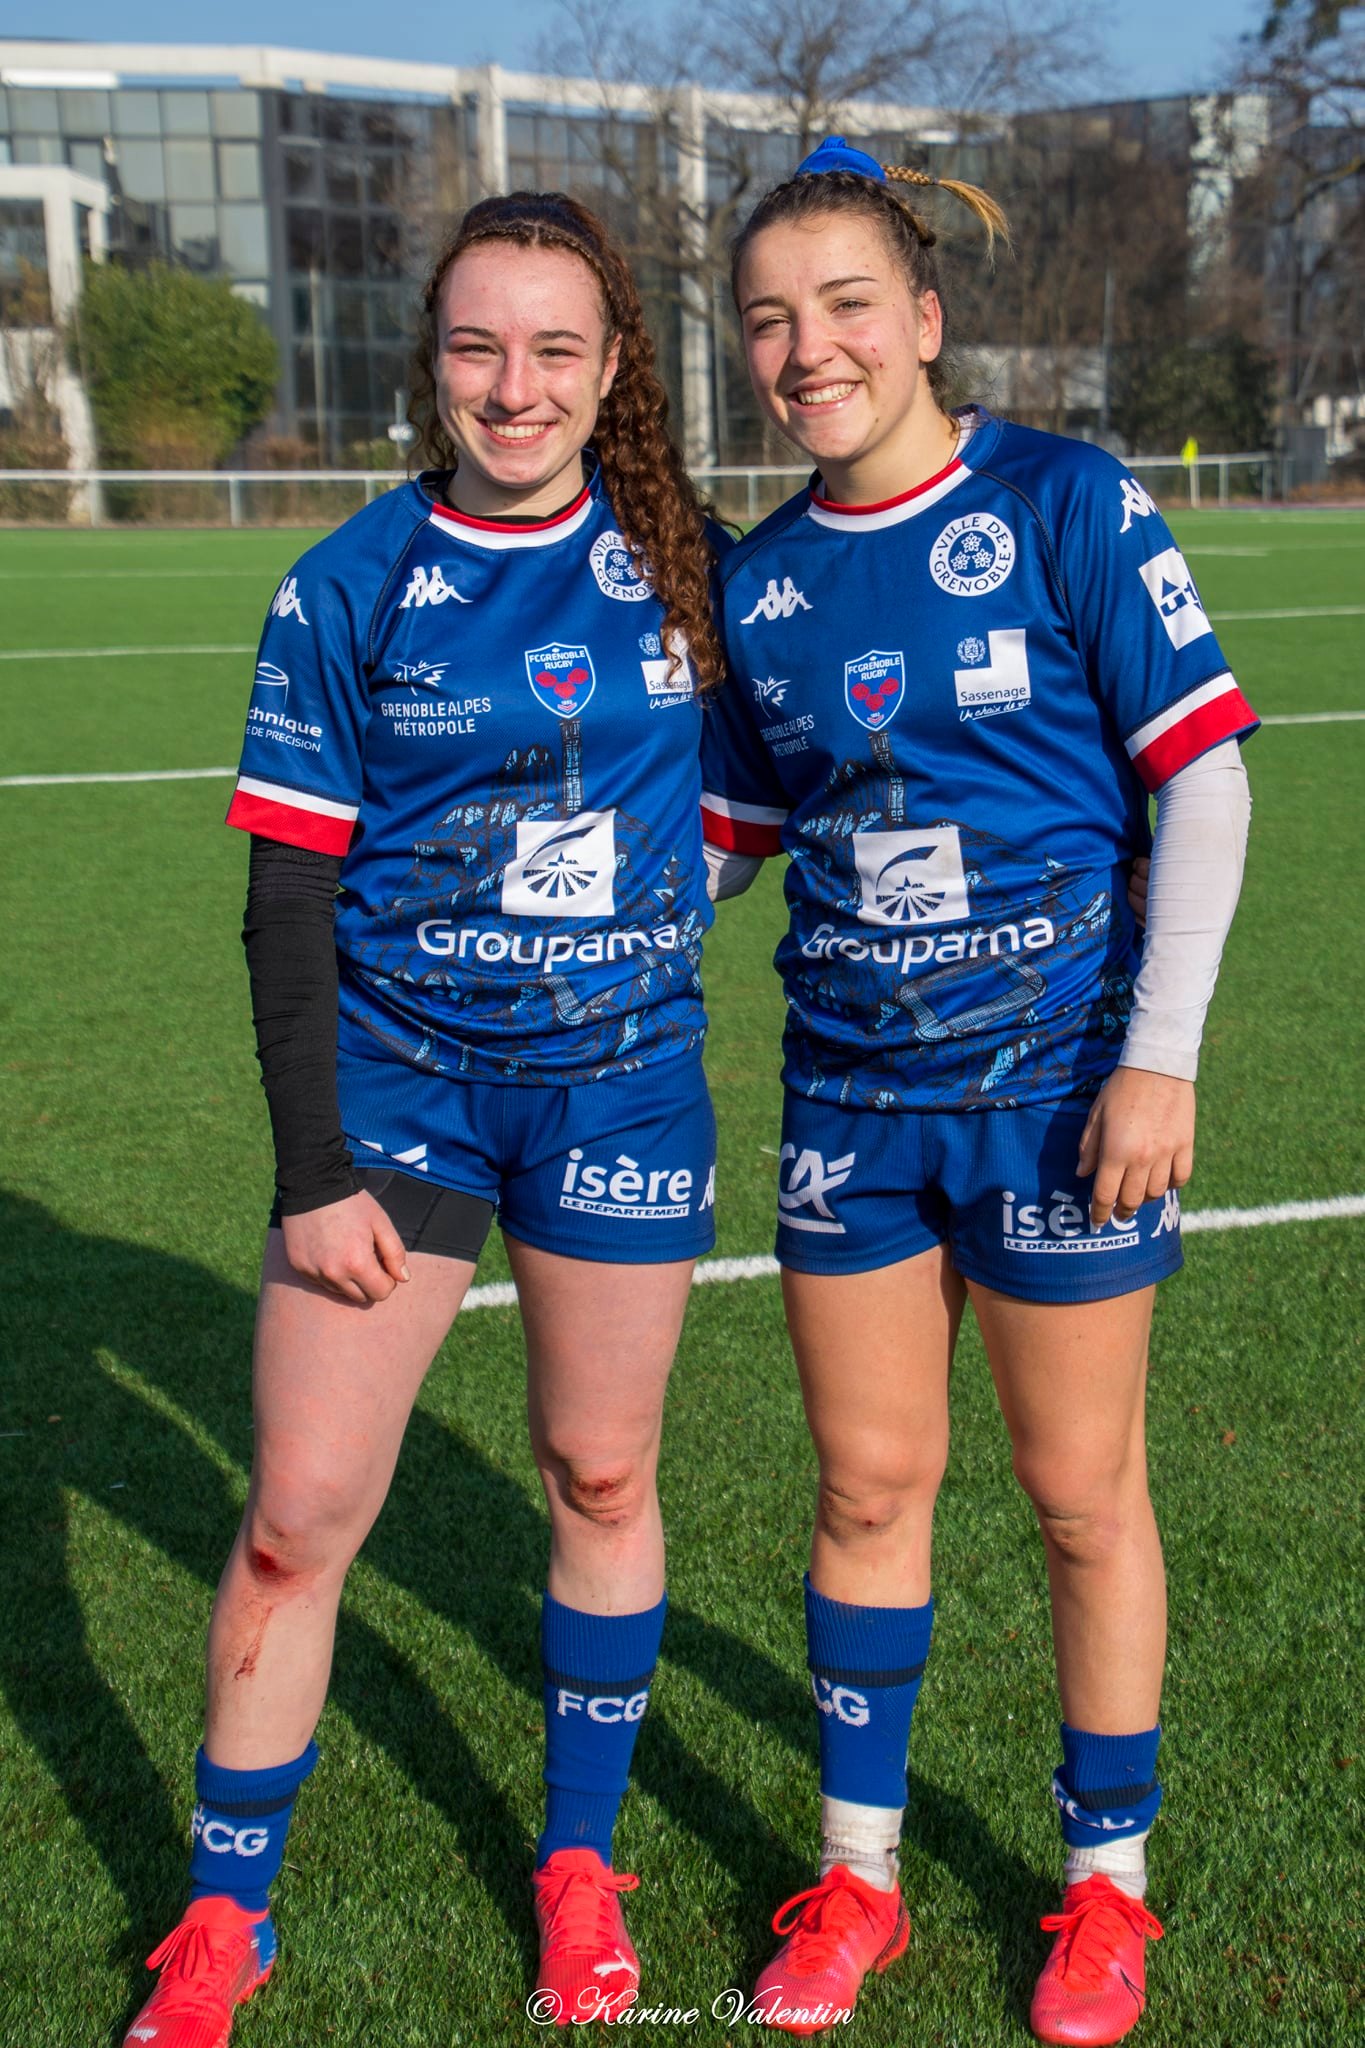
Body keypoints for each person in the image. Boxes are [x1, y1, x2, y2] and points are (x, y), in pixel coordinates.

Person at [123, 190, 730, 2047]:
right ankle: (225, 1918)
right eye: (478, 345)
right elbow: (287, 898)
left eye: (555, 348)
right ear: (432, 362)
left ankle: (575, 1862)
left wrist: (663, 898)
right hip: (395, 1093)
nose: (514, 383)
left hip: (619, 1083)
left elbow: (797, 778)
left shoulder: (689, 563)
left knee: (600, 1479)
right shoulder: (347, 581)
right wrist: (313, 1170)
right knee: (302, 1513)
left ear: (613, 365)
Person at [699, 137, 1256, 2046]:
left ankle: (1105, 1892)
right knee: (866, 1490)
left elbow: (1204, 779)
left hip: (1057, 1093)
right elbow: (723, 835)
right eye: (766, 319)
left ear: (922, 318)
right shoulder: (759, 585)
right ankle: (856, 1883)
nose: (805, 348)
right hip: (851, 1103)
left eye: (843, 304)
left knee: (1079, 1497)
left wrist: (1157, 1055)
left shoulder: (1061, 497)